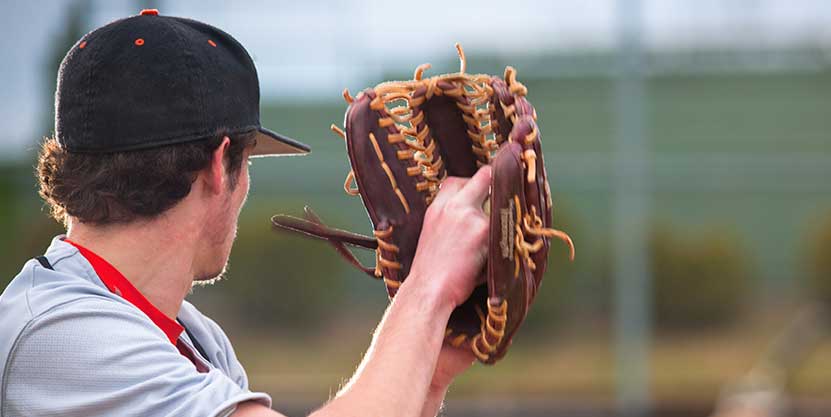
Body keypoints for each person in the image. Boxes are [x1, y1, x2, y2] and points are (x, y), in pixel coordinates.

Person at [0, 9, 488, 417]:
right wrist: (428, 289)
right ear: (219, 166)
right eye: (248, 161)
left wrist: (426, 373)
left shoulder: (191, 336)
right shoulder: (57, 334)